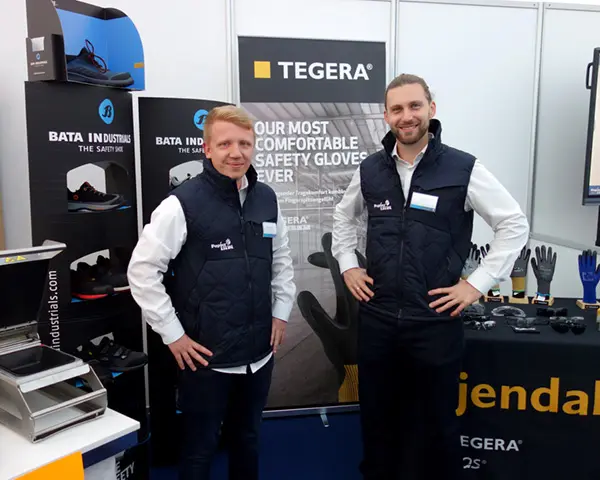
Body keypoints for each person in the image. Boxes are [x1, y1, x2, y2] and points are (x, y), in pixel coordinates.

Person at [331, 74, 529, 479]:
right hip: (379, 320)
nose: (407, 116)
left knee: (437, 425)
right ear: (386, 116)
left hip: (434, 322)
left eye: (415, 106)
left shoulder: (463, 167)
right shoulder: (370, 170)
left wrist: (475, 285)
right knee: (379, 422)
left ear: (431, 110)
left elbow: (513, 223)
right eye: (397, 109)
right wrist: (348, 263)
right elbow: (343, 217)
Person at [127, 105, 296, 480]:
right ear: (206, 149)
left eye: (244, 144)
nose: (236, 153)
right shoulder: (181, 204)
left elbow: (281, 258)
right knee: (199, 451)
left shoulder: (267, 199)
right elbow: (142, 271)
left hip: (258, 355)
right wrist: (173, 335)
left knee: (248, 441)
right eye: (225, 144)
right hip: (207, 359)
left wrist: (281, 312)